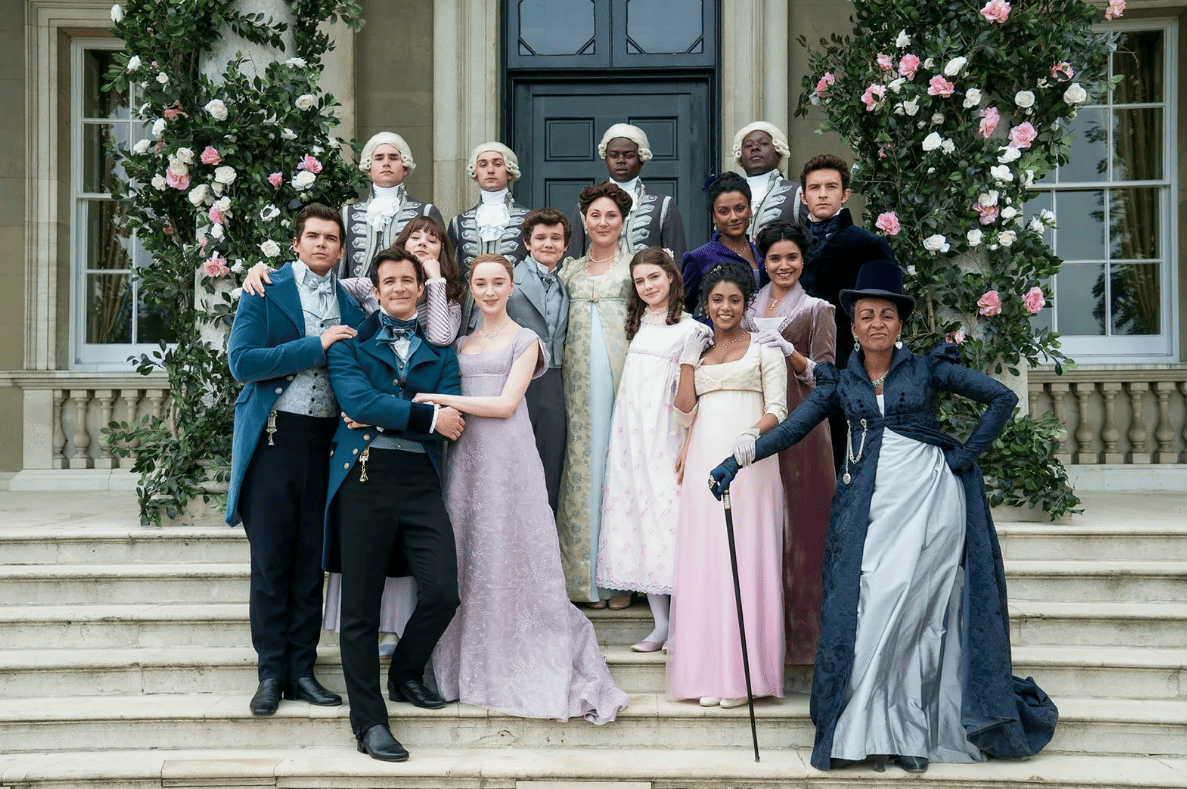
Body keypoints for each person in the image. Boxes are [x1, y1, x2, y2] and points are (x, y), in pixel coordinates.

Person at [709, 260, 1057, 773]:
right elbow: (794, 428)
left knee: (917, 616)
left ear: (900, 324)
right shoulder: (839, 382)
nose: (876, 323)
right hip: (869, 506)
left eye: (887, 315)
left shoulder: (928, 368)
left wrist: (962, 457)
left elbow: (1001, 399)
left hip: (932, 502)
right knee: (872, 608)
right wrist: (737, 460)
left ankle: (910, 733)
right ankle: (867, 729)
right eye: (867, 315)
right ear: (853, 327)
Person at [416, 254, 629, 723]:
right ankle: (467, 660)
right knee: (468, 550)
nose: (490, 291)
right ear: (471, 289)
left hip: (508, 456)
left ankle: (522, 654)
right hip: (465, 457)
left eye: (498, 282)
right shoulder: (461, 342)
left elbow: (506, 404)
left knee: (509, 548)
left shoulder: (527, 339)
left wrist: (435, 399)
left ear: (511, 287)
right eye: (481, 283)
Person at [323, 247, 466, 762]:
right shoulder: (349, 346)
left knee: (443, 591)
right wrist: (420, 415)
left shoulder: (441, 353)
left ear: (420, 289)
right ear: (377, 290)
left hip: (421, 483)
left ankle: (405, 673)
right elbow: (357, 402)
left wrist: (387, 413)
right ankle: (369, 722)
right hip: (363, 479)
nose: (400, 288)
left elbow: (452, 416)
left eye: (408, 280)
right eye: (390, 281)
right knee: (361, 607)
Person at [226, 203, 366, 716]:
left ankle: (303, 670)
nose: (322, 244)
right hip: (273, 440)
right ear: (296, 242)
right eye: (313, 236)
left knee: (312, 562)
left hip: (325, 445)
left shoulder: (353, 302)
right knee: (271, 561)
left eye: (331, 237)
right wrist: (316, 345)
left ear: (342, 248)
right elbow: (242, 362)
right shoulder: (266, 288)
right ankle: (270, 673)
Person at [667, 262, 787, 708]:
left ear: (746, 303)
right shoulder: (698, 352)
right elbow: (684, 413)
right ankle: (707, 673)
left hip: (749, 462)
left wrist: (750, 435)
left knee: (746, 555)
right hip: (704, 459)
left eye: (734, 300)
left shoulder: (764, 349)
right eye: (717, 299)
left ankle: (743, 677)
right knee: (707, 560)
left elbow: (779, 409)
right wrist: (686, 360)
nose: (725, 307)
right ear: (706, 303)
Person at [596, 248, 710, 652]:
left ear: (672, 277)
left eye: (654, 278)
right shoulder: (638, 324)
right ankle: (660, 625)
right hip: (633, 438)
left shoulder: (693, 330)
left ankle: (684, 625)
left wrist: (690, 442)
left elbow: (697, 394)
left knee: (670, 519)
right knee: (640, 519)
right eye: (640, 281)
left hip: (667, 436)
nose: (648, 286)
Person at [742, 220, 836, 666]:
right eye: (775, 257)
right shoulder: (745, 306)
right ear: (763, 261)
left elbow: (826, 378)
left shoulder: (819, 310)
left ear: (803, 260)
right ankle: (759, 644)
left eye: (792, 257)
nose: (783, 265)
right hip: (753, 423)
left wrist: (788, 350)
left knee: (803, 529)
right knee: (759, 529)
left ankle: (806, 644)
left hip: (803, 428)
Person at [556, 182, 634, 609]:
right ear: (584, 221)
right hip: (576, 383)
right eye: (595, 215)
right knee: (582, 467)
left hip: (624, 378)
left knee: (619, 466)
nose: (602, 223)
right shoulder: (569, 270)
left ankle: (620, 579)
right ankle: (584, 580)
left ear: (623, 222)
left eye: (611, 216)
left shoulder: (637, 265)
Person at [797, 153, 894, 470]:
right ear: (803, 196)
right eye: (814, 188)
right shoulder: (788, 244)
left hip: (847, 364)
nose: (822, 194)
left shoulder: (867, 244)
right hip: (792, 362)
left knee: (845, 452)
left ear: (845, 194)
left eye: (831, 187)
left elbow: (887, 310)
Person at [503, 208, 572, 513]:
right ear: (527, 243)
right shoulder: (507, 280)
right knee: (515, 462)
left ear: (565, 246)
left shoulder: (565, 283)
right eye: (540, 237)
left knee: (550, 462)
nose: (548, 244)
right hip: (515, 380)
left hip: (555, 381)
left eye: (556, 238)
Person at [567, 124, 687, 262]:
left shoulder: (663, 206)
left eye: (628, 155)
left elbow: (677, 262)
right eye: (614, 155)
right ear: (606, 160)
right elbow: (572, 259)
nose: (620, 161)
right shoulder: (586, 205)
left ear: (641, 160)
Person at [339, 132, 445, 279]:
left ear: (405, 167)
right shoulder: (347, 214)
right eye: (379, 158)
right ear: (369, 167)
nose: (386, 163)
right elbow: (338, 269)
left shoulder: (426, 212)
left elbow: (440, 265)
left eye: (393, 157)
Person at [682, 172, 767, 313]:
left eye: (740, 209)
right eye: (724, 211)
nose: (733, 217)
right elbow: (683, 309)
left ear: (750, 210)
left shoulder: (763, 252)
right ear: (714, 217)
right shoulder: (698, 258)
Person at [447, 141, 530, 280]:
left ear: (510, 172)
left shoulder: (529, 218)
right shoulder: (458, 222)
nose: (490, 170)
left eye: (497, 164)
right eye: (483, 165)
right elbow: (450, 269)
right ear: (476, 173)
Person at [731, 121, 803, 238]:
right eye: (748, 145)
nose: (755, 148)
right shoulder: (729, 194)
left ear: (778, 154)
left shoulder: (797, 193)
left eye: (763, 143)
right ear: (740, 157)